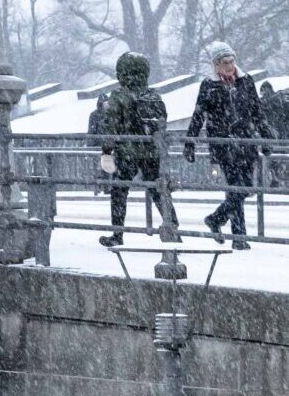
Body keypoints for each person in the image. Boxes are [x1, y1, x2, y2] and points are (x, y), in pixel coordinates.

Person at [185, 43, 272, 250]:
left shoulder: (246, 81)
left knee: (243, 188)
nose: (230, 66)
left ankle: (218, 220)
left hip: (246, 142)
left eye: (232, 61)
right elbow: (198, 115)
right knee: (237, 187)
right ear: (216, 65)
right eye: (225, 62)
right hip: (224, 145)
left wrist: (265, 134)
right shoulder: (209, 85)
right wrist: (190, 142)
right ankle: (239, 237)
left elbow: (257, 110)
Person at [98, 52, 175, 248]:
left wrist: (107, 152)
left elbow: (111, 126)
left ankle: (118, 234)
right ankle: (173, 227)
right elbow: (162, 124)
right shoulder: (154, 96)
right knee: (159, 190)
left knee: (119, 191)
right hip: (152, 152)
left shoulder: (118, 97)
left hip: (128, 152)